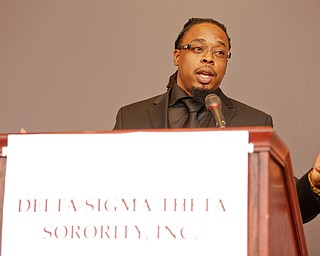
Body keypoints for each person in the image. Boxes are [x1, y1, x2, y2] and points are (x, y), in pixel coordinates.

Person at [113, 17, 320, 223]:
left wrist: (314, 182)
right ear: (177, 56)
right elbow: (108, 190)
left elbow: (283, 203)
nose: (209, 58)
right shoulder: (131, 117)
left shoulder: (254, 122)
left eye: (219, 52)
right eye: (197, 49)